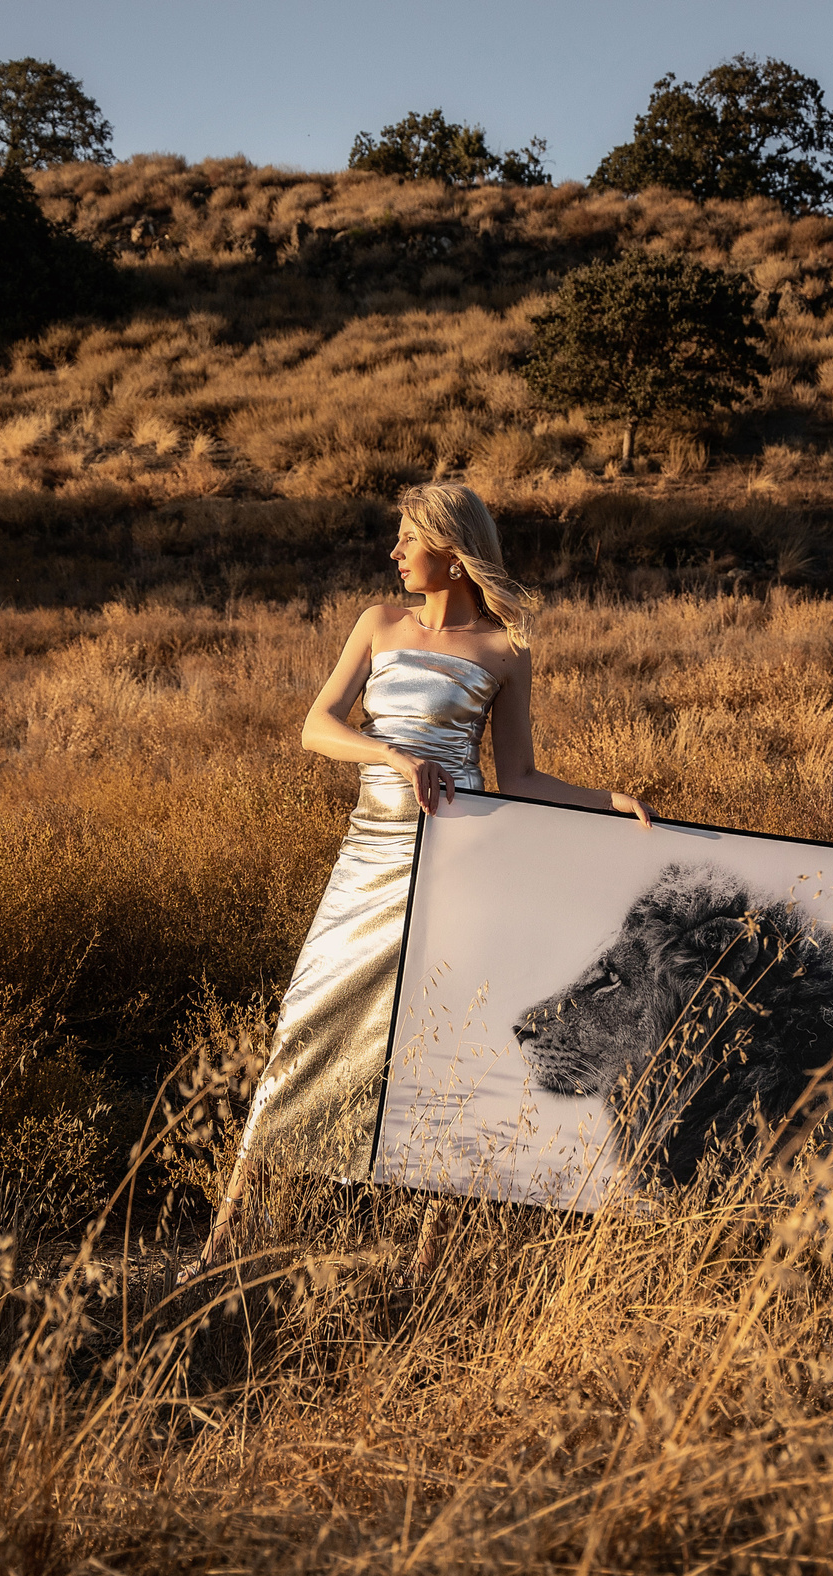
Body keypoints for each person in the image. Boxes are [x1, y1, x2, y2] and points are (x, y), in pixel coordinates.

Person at [185, 482, 650, 1278]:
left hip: (456, 863)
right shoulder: (377, 624)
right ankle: (223, 1245)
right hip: (370, 860)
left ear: (452, 550)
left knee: (446, 1044)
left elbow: (521, 778)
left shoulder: (505, 651)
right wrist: (392, 753)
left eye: (407, 537)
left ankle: (431, 1256)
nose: (393, 551)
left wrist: (611, 800)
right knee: (306, 1027)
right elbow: (317, 726)